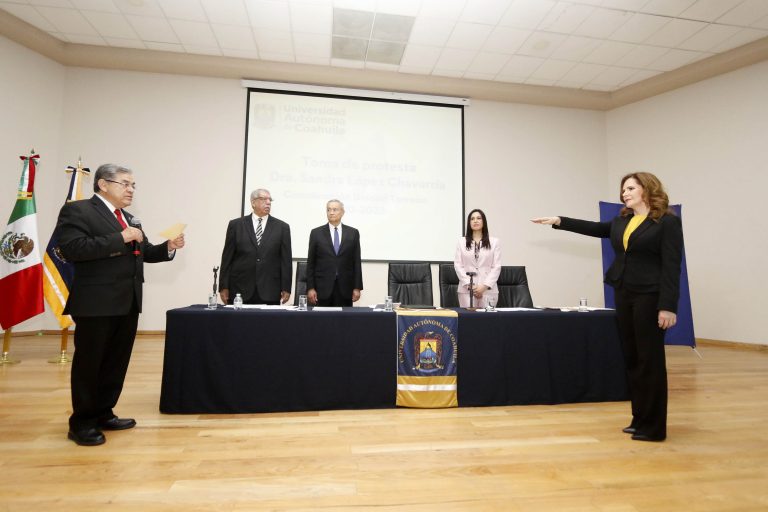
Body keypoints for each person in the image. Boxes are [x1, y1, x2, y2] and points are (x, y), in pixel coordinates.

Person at [531, 171, 683, 442]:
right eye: (623, 189)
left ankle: (655, 426)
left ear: (647, 190)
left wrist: (668, 307)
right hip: (624, 293)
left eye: (631, 188)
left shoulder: (666, 222)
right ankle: (640, 419)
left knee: (651, 361)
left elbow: (672, 267)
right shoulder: (624, 220)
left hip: (650, 296)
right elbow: (595, 228)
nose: (625, 193)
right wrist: (559, 221)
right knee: (633, 359)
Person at [56, 164, 185, 446]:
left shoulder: (128, 217)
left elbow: (143, 252)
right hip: (95, 303)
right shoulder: (78, 211)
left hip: (127, 301)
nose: (131, 190)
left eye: (133, 185)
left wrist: (168, 247)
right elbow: (72, 248)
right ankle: (81, 423)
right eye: (125, 184)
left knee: (116, 362)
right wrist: (120, 237)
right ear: (103, 184)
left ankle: (104, 412)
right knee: (90, 364)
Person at [219, 188, 292, 305]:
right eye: (263, 199)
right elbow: (227, 258)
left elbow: (286, 260)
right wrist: (223, 286)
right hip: (240, 289)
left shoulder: (282, 227)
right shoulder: (236, 225)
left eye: (270, 200)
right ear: (253, 203)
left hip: (270, 290)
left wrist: (286, 287)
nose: (268, 202)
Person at [306, 199, 363, 307]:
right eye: (328, 210)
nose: (331, 212)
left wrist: (357, 287)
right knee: (322, 322)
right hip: (322, 289)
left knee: (344, 322)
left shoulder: (353, 233)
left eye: (335, 209)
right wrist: (310, 288)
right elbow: (311, 263)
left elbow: (356, 262)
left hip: (345, 289)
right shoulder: (316, 233)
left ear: (342, 212)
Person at [454, 209, 501, 308]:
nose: (475, 221)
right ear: (469, 223)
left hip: (488, 290)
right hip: (466, 291)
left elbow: (496, 267)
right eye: (472, 219)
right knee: (468, 321)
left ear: (484, 221)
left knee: (488, 322)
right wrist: (470, 285)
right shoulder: (461, 242)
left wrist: (484, 286)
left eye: (478, 218)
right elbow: (458, 265)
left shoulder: (494, 242)